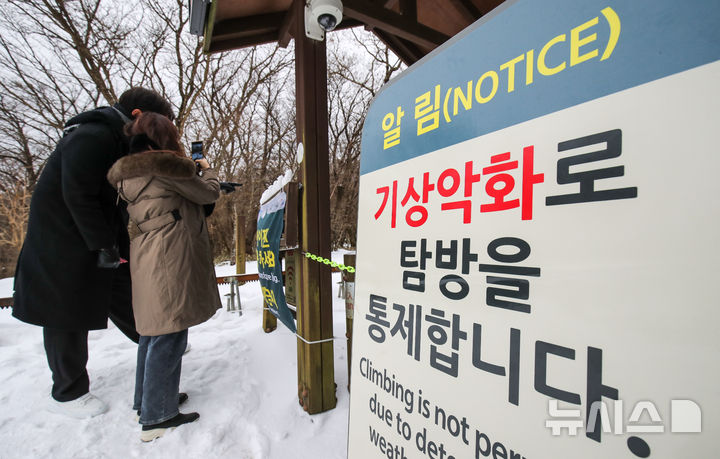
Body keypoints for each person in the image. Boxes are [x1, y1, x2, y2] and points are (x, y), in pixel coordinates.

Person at [12, 87, 175, 419]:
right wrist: (103, 243)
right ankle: (68, 391)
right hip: (62, 239)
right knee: (65, 311)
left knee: (124, 291)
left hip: (96, 233)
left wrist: (117, 243)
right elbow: (77, 194)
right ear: (137, 115)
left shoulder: (119, 139)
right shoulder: (93, 134)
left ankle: (155, 342)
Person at [107, 112, 221, 442]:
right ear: (165, 138)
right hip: (170, 253)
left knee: (153, 330)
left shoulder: (130, 172)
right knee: (171, 331)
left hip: (147, 251)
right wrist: (206, 169)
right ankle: (158, 415)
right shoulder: (166, 167)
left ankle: (148, 399)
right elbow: (206, 194)